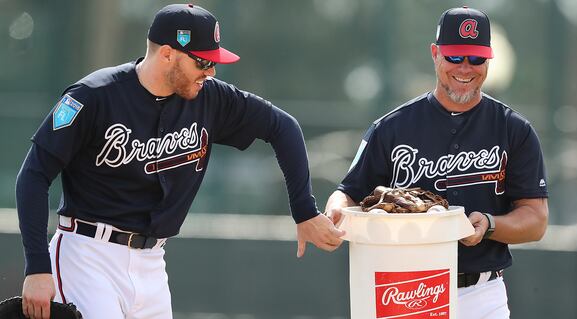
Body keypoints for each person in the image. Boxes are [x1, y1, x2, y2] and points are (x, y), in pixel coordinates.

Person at [16, 4, 344, 319]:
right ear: (168, 54)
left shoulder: (210, 97)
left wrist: (304, 211)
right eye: (202, 62)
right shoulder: (93, 95)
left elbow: (282, 127)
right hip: (88, 256)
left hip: (152, 262)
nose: (211, 72)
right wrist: (37, 265)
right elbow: (33, 175)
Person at [325, 6, 548, 319]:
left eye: (476, 58)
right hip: (405, 289)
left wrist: (490, 225)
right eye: (455, 57)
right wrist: (334, 210)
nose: (465, 68)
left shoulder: (515, 130)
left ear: (489, 59)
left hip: (481, 293)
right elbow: (347, 192)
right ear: (435, 54)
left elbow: (536, 220)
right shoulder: (391, 128)